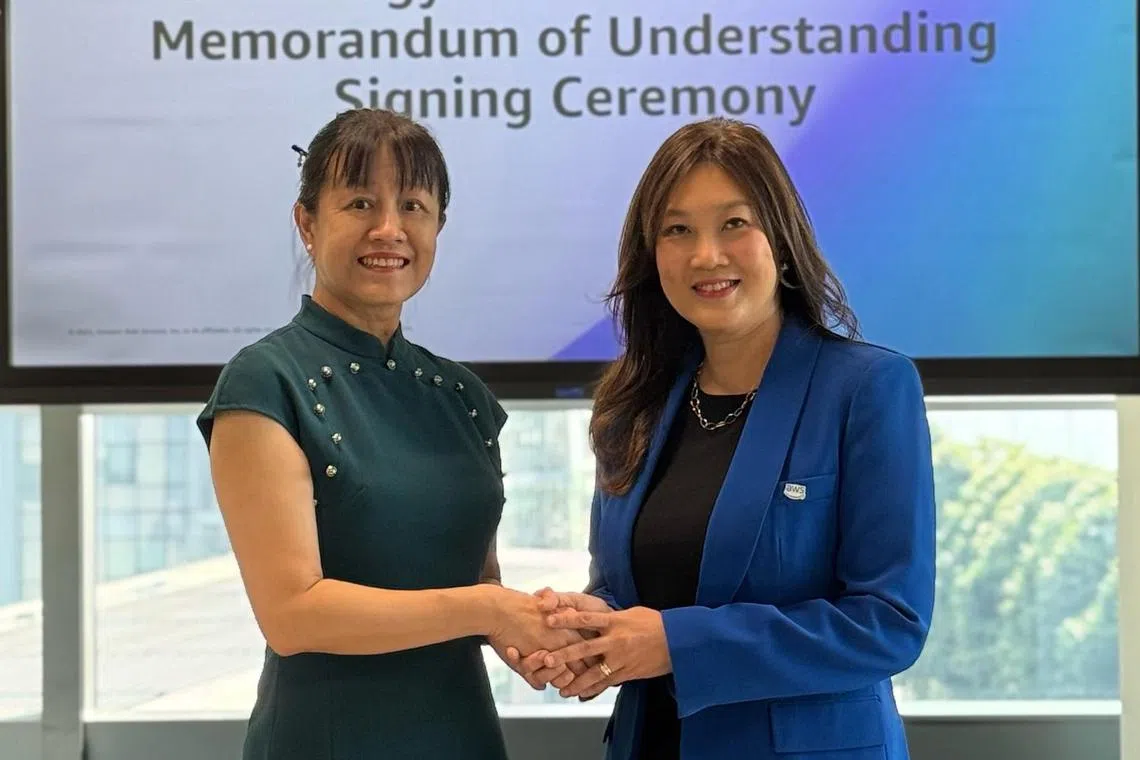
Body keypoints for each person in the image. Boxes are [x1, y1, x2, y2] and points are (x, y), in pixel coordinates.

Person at [510, 117, 937, 759]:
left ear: (782, 241)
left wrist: (675, 644)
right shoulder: (632, 405)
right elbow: (632, 595)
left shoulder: (867, 388)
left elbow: (888, 624)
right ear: (652, 258)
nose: (706, 255)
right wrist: (583, 628)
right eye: (677, 230)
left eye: (734, 224)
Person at [196, 107, 585, 760]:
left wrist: (544, 636)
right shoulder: (266, 383)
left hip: (463, 736)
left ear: (437, 226)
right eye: (359, 202)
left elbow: (480, 580)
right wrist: (491, 611)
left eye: (413, 205)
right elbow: (293, 614)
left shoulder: (463, 398)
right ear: (307, 223)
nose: (388, 228)